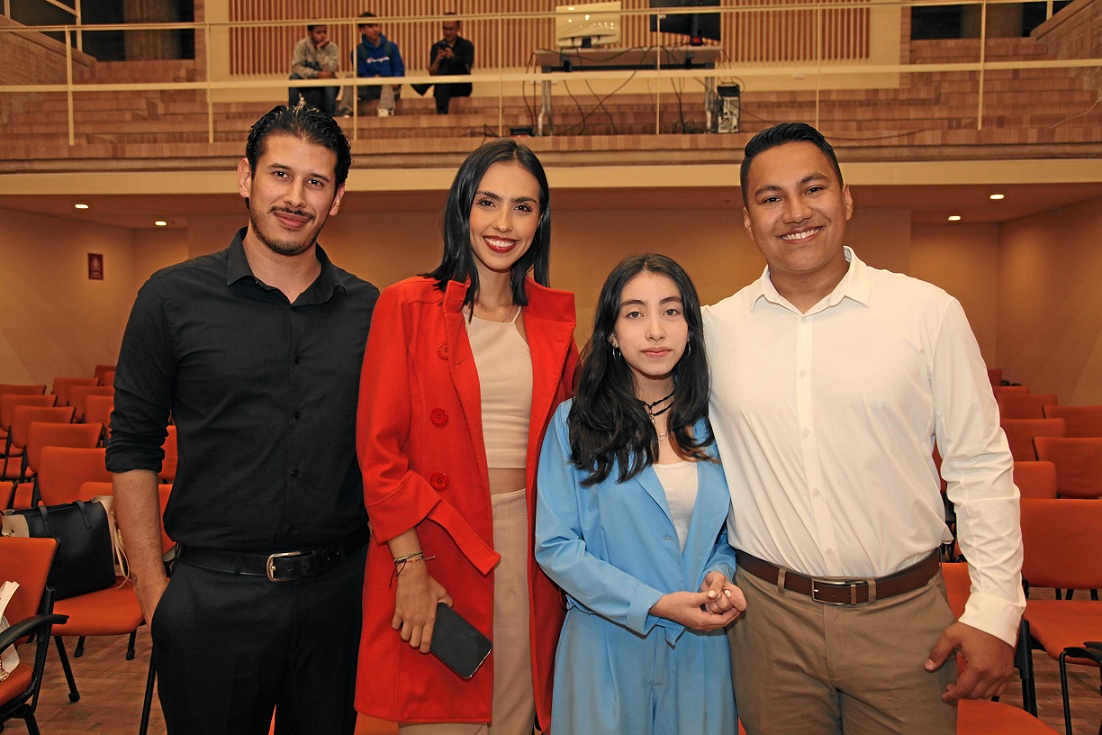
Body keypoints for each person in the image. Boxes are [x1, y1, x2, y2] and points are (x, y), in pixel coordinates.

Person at [704, 122, 1025, 735]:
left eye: (813, 188)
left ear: (846, 199)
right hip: (768, 621)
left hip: (903, 619)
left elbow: (980, 467)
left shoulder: (927, 314)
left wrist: (996, 610)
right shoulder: (715, 332)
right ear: (749, 221)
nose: (795, 212)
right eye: (770, 198)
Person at [107, 105, 378, 735]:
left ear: (336, 199)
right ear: (244, 178)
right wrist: (155, 595)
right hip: (211, 603)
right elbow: (132, 450)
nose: (295, 196)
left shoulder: (371, 311)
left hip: (337, 601)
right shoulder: (169, 298)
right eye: (280, 174)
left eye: (316, 182)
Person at [354, 139, 577, 734]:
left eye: (524, 207)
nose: (504, 224)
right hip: (434, 542)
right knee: (440, 718)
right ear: (463, 210)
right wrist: (410, 566)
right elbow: (379, 456)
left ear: (541, 220)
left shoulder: (554, 326)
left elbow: (573, 454)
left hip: (530, 550)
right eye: (488, 203)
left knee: (513, 715)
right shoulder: (407, 305)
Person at [535, 253, 746, 735]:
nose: (655, 330)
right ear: (611, 333)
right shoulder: (574, 424)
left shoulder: (716, 426)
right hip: (605, 645)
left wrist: (719, 574)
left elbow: (724, 535)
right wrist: (653, 603)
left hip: (700, 647)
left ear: (691, 327)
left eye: (671, 311)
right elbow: (556, 547)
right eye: (634, 313)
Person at [412, 14, 475, 115]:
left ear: (458, 28)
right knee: (443, 81)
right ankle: (441, 114)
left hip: (461, 85)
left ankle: (424, 85)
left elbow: (466, 68)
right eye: (445, 29)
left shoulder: (466, 45)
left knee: (452, 65)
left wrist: (453, 57)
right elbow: (432, 72)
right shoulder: (437, 47)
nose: (448, 32)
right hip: (443, 86)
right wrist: (437, 59)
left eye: (451, 29)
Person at [353, 12, 405, 117]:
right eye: (370, 26)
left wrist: (396, 80)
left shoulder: (391, 47)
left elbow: (399, 68)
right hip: (369, 87)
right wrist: (371, 78)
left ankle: (384, 110)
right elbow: (360, 71)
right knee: (349, 77)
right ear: (362, 30)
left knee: (387, 81)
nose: (375, 29)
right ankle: (346, 112)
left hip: (388, 87)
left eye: (376, 25)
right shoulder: (358, 51)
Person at [289, 24, 340, 115]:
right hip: (307, 80)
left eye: (325, 32)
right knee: (293, 78)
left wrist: (320, 51)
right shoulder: (301, 46)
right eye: (318, 32)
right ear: (310, 33)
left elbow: (331, 69)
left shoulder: (332, 48)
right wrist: (316, 74)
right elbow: (296, 67)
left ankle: (331, 115)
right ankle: (292, 112)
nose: (323, 35)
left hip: (324, 82)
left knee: (331, 81)